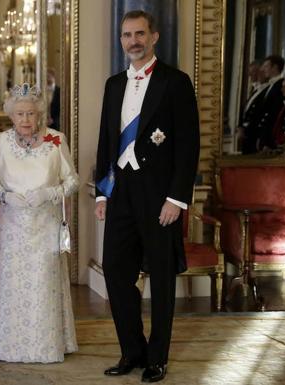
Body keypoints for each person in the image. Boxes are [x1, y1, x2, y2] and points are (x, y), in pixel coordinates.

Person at [94, 11, 199, 383]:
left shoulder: (176, 82)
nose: (133, 41)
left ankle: (158, 357)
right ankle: (132, 351)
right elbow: (107, 140)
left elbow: (188, 147)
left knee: (163, 278)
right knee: (116, 272)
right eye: (126, 35)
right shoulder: (112, 85)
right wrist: (101, 192)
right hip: (120, 190)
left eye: (140, 34)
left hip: (159, 195)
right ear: (121, 40)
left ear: (153, 37)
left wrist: (177, 198)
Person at [0, 83, 79, 363]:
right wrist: (5, 196)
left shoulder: (56, 140)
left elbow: (72, 181)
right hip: (12, 226)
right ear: (11, 116)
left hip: (45, 224)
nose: (26, 120)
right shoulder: (3, 141)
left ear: (40, 115)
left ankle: (44, 346)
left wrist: (50, 193)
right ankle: (9, 345)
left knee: (42, 284)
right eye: (20, 114)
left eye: (31, 114)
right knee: (13, 285)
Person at [254, 55, 285, 151]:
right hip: (263, 134)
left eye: (266, 66)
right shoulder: (270, 86)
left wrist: (267, 139)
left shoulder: (281, 85)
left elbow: (274, 114)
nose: (263, 69)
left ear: (275, 67)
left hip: (271, 136)